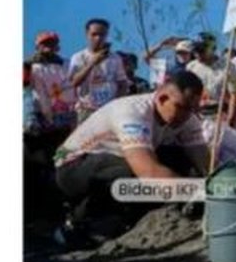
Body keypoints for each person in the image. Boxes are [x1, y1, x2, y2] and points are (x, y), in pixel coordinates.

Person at [51, 71, 210, 246]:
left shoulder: (187, 118)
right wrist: (195, 192)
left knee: (179, 160)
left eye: (193, 109)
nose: (187, 115)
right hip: (73, 166)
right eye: (183, 107)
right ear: (163, 98)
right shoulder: (132, 112)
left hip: (116, 159)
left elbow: (204, 162)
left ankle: (130, 216)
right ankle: (79, 222)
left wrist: (215, 185)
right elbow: (148, 173)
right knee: (131, 173)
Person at [68, 18, 130, 121]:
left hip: (109, 111)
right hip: (87, 110)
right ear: (87, 34)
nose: (98, 38)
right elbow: (73, 83)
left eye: (102, 35)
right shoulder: (78, 57)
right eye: (94, 34)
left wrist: (115, 104)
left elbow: (123, 83)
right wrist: (92, 63)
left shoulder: (115, 58)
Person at [28, 31, 77, 133]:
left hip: (67, 114)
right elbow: (40, 94)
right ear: (38, 47)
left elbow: (74, 86)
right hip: (43, 115)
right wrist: (48, 118)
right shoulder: (33, 67)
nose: (49, 47)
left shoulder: (67, 64)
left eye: (52, 43)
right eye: (45, 44)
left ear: (57, 46)